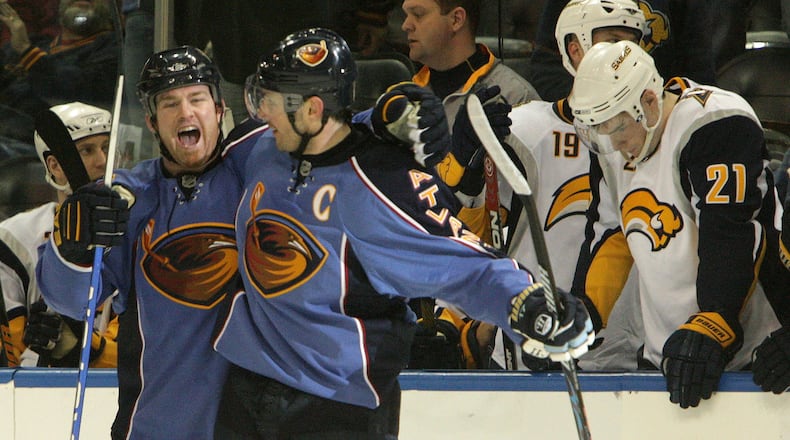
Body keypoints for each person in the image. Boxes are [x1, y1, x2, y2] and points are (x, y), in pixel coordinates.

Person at [212, 27, 594, 438]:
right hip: (243, 393)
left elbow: (464, 264)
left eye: (269, 102)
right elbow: (199, 170)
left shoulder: (379, 186)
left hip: (332, 408)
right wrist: (380, 114)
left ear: (311, 110)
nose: (261, 112)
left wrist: (526, 302)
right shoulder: (261, 147)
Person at [36, 46, 267, 439]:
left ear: (219, 110)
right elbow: (73, 303)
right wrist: (71, 250)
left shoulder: (259, 178)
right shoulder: (126, 198)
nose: (185, 113)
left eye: (197, 99)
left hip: (257, 424)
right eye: (169, 104)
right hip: (155, 426)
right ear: (152, 122)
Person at [568, 40, 782, 408]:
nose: (615, 144)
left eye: (618, 129)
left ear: (649, 102)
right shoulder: (617, 145)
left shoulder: (715, 123)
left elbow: (731, 232)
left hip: (751, 357)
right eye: (601, 132)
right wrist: (581, 315)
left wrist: (714, 321)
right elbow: (612, 237)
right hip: (667, 356)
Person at [0, 102, 117, 368]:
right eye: (87, 151)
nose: (102, 162)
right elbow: (11, 361)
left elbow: (149, 354)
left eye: (107, 148)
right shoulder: (11, 240)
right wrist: (43, 349)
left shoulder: (144, 232)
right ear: (54, 166)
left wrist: (85, 348)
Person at [528, 0, 716, 102]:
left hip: (654, 113)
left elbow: (698, 69)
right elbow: (547, 62)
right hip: (583, 116)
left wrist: (662, 109)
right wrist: (585, 103)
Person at [0, 0, 120, 143]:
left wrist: (28, 53)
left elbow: (78, 92)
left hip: (40, 146)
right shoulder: (33, 43)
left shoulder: (111, 49)